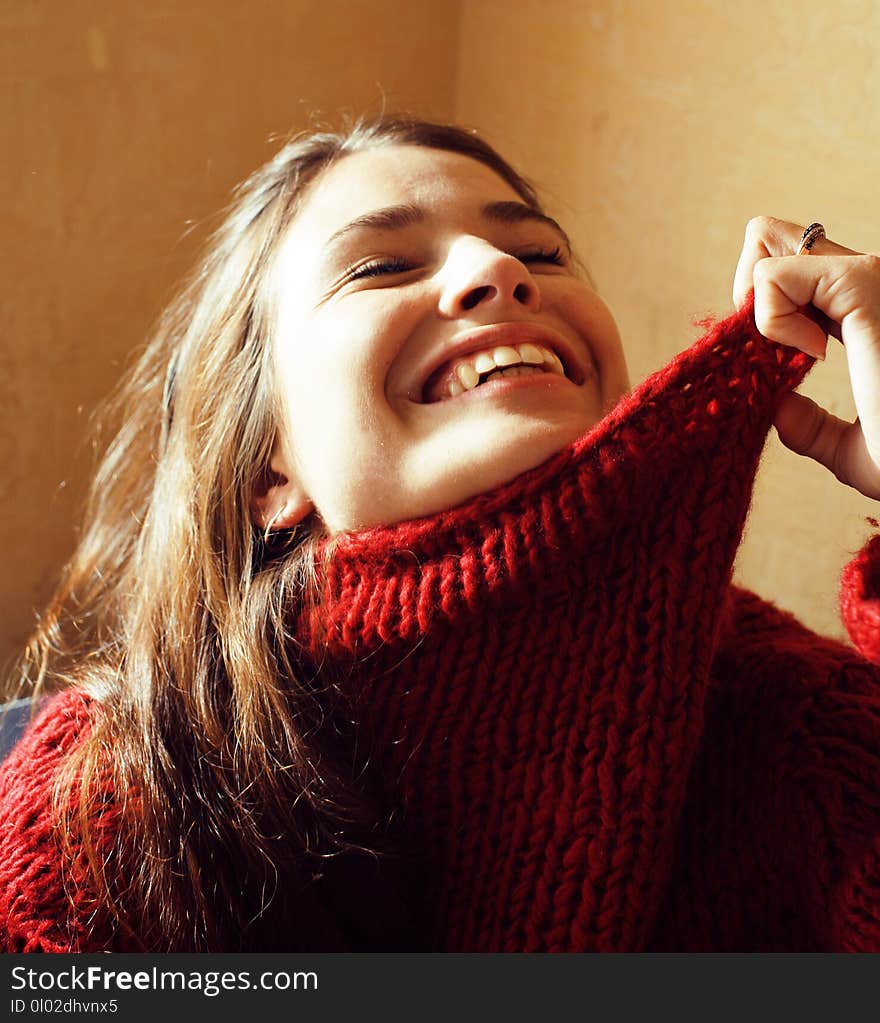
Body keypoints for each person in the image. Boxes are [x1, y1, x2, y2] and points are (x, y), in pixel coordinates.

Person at [2, 114, 880, 953]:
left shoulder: (803, 730)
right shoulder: (109, 800)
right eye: (379, 266)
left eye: (538, 251)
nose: (499, 270)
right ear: (269, 468)